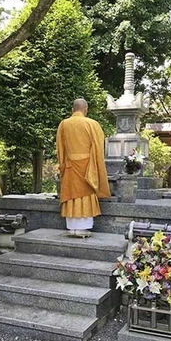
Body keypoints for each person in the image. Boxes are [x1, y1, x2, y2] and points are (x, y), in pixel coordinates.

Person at [56, 98, 111, 237]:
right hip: (87, 166)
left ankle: (72, 228)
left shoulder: (63, 124)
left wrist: (63, 165)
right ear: (86, 110)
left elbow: (60, 149)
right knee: (85, 195)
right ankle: (82, 228)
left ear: (72, 110)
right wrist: (96, 166)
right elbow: (98, 148)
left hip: (69, 166)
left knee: (71, 195)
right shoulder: (92, 124)